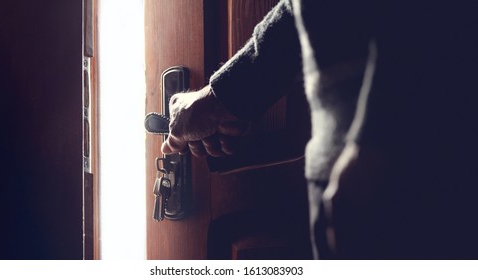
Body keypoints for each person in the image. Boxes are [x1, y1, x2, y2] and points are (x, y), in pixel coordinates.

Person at [162, 0, 478, 259]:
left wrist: (372, 148)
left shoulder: (374, 168)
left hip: (406, 173)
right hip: (354, 170)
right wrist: (224, 96)